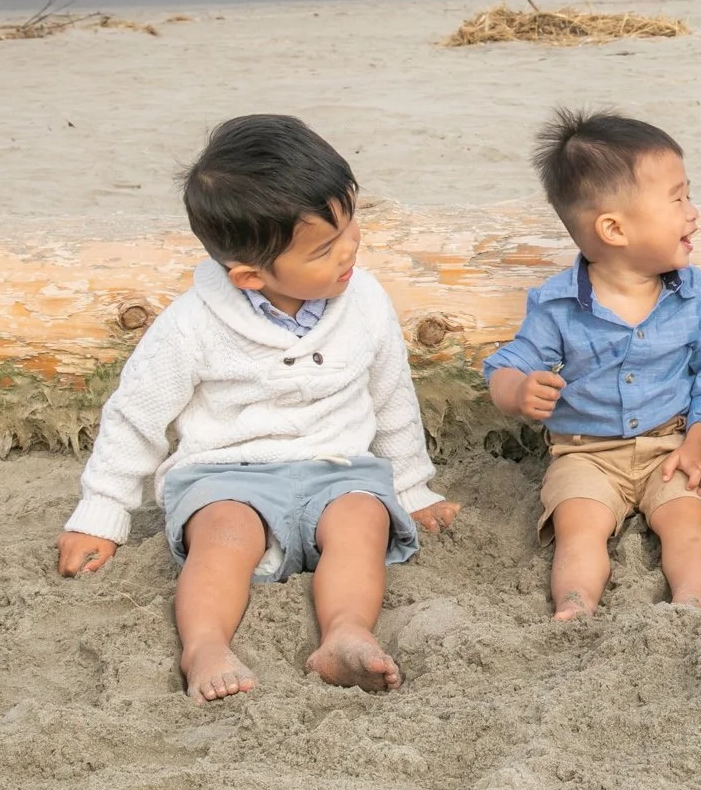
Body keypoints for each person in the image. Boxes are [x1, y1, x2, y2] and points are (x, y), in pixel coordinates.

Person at [56, 114, 457, 700]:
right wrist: (101, 512)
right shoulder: (191, 326)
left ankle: (345, 633)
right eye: (326, 247)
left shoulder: (365, 299)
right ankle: (206, 646)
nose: (350, 249)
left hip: (337, 468)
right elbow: (135, 417)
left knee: (362, 525)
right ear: (248, 276)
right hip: (227, 476)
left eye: (351, 223)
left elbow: (390, 396)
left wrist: (413, 488)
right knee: (222, 539)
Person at [483, 110, 701, 620]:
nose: (694, 213)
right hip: (585, 453)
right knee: (580, 527)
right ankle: (576, 606)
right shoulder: (557, 305)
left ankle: (692, 606)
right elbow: (505, 365)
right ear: (614, 229)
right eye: (678, 198)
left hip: (671, 443)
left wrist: (700, 447)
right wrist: (517, 390)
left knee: (688, 522)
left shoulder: (699, 297)